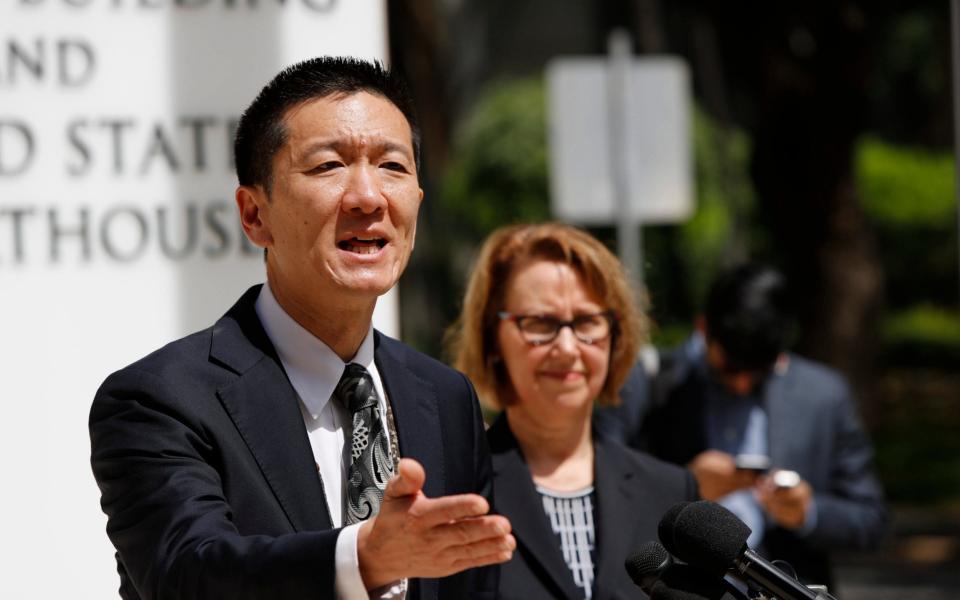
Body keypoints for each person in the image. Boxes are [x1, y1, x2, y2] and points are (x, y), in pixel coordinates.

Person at [88, 57, 514, 600]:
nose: (368, 196)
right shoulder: (159, 399)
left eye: (393, 166)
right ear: (253, 215)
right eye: (329, 166)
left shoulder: (445, 396)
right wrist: (361, 559)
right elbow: (187, 574)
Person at [448, 222, 699, 600]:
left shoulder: (669, 492)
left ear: (615, 336)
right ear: (493, 339)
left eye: (587, 322)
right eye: (540, 323)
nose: (567, 347)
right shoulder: (454, 492)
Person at [634, 263, 887, 590]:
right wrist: (684, 485)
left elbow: (871, 521)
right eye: (729, 367)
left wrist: (806, 512)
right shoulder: (656, 386)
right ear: (702, 328)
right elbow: (619, 500)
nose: (741, 383)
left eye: (757, 372)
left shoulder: (823, 394)